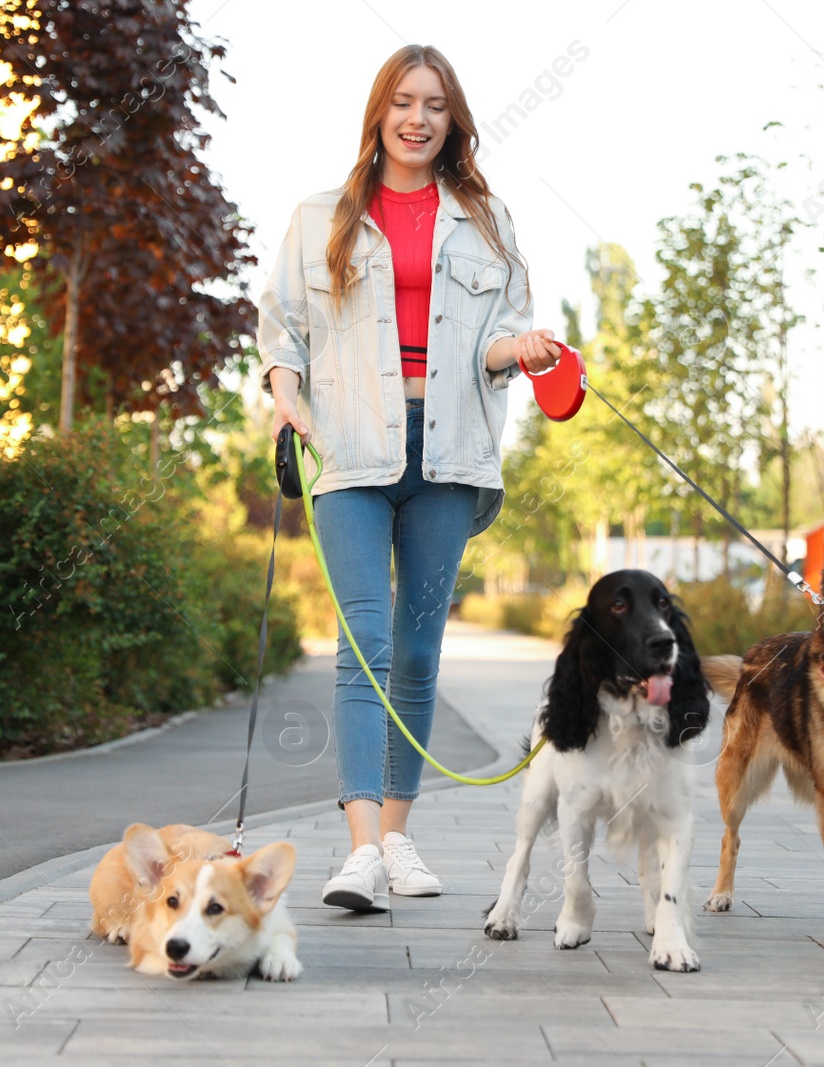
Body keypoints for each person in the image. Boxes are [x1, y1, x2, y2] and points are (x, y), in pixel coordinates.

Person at [257, 44, 560, 912]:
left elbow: (498, 337)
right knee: (366, 646)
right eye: (402, 101)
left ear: (453, 119)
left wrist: (525, 349)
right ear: (378, 113)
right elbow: (284, 334)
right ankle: (357, 853)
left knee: (420, 652)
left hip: (449, 450)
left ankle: (397, 833)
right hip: (349, 448)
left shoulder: (487, 217)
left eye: (434, 104)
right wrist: (287, 400)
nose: (417, 118)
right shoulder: (322, 217)